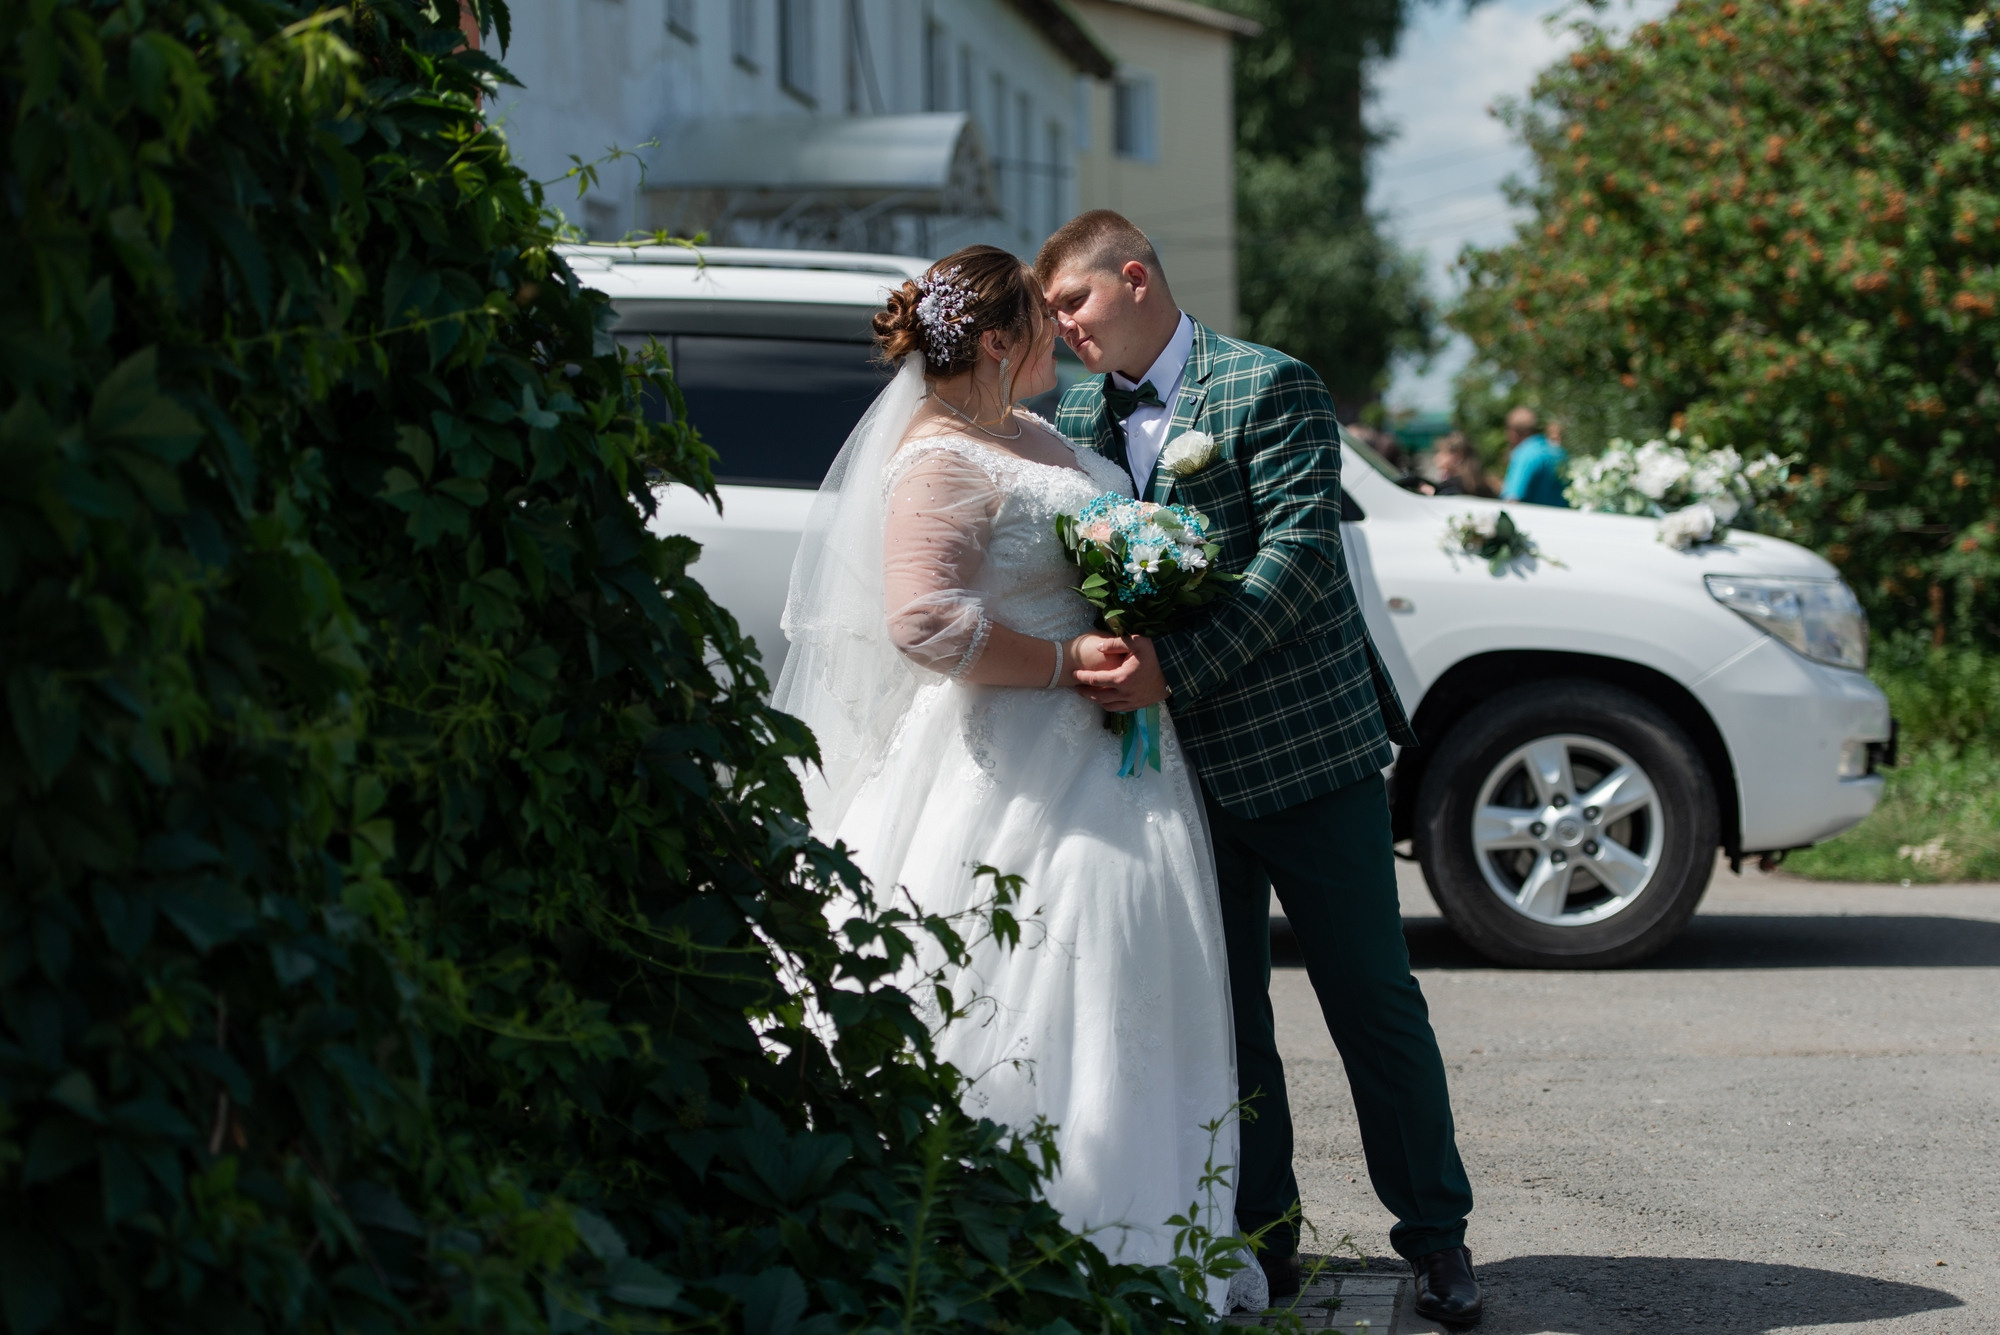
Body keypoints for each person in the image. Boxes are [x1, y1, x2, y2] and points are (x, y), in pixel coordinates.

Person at [770, 245, 1264, 1314]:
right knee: (1032, 971)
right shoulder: (941, 455)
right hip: (1010, 761)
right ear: (999, 341)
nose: (1059, 339)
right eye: (1041, 323)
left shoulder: (1029, 435)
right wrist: (1057, 662)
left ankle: (1138, 1228)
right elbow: (921, 620)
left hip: (1110, 752)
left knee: (1124, 971)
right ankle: (1027, 1232)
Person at [1037, 210, 1483, 1326]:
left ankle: (1436, 1239)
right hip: (1171, 772)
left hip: (1303, 750)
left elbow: (1294, 560)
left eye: (1072, 304)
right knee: (1224, 1013)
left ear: (1133, 276)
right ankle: (1262, 1239)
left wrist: (1168, 670)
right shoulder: (1076, 413)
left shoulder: (1268, 385)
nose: (1061, 329)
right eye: (1050, 314)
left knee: (1369, 1000)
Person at [1499, 406, 1569, 506]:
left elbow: (1512, 498)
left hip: (1533, 520)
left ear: (1513, 433)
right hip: (1563, 519)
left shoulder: (1524, 454)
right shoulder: (1560, 453)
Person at [1430, 431, 1494, 498]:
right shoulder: (1476, 483)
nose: (1436, 457)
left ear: (1457, 457)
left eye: (1442, 452)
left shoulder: (1452, 488)